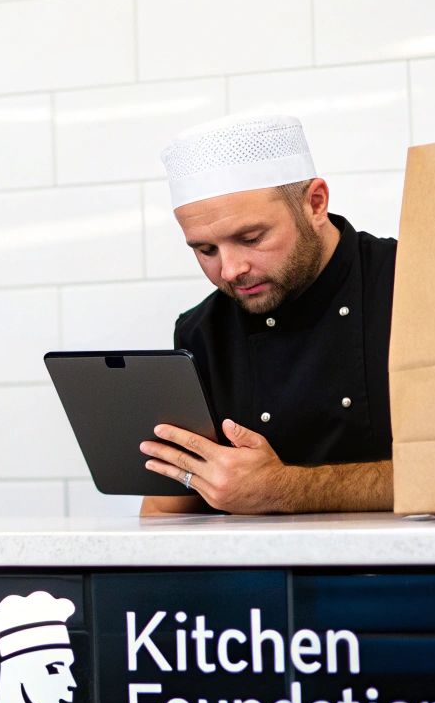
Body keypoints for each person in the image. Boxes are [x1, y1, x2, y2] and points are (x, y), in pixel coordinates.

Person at [141, 113, 396, 515]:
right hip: (258, 575)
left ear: (315, 203)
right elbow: (167, 506)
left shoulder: (409, 283)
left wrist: (285, 489)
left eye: (251, 238)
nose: (229, 270)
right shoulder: (200, 333)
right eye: (205, 250)